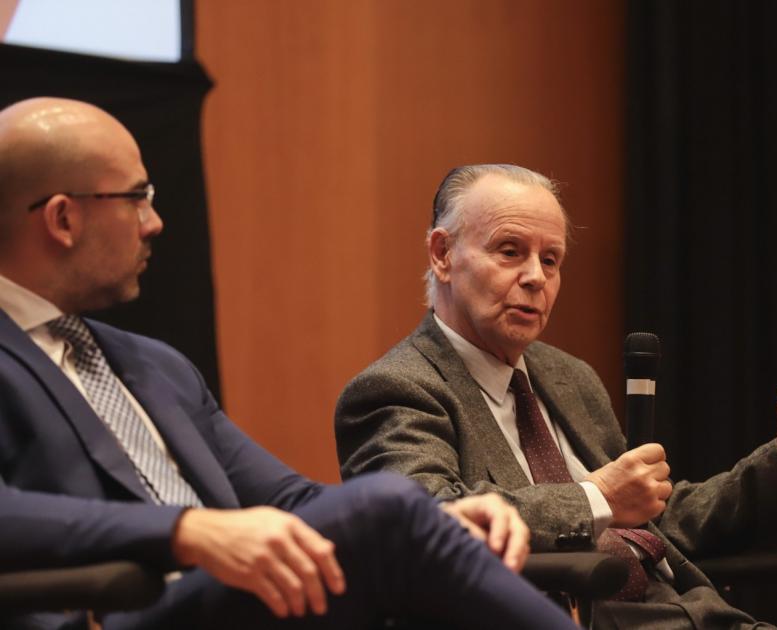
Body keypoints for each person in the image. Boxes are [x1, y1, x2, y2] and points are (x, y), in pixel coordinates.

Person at [0, 100, 581, 630]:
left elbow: (294, 501)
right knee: (386, 507)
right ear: (63, 219)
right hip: (118, 613)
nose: (154, 222)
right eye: (136, 198)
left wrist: (445, 518)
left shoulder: (155, 366)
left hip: (242, 604)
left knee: (399, 520)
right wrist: (185, 532)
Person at [335, 163, 777, 629]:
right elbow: (426, 524)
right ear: (443, 254)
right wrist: (595, 499)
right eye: (509, 251)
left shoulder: (567, 376)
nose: (535, 278)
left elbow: (655, 520)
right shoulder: (397, 389)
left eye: (550, 260)